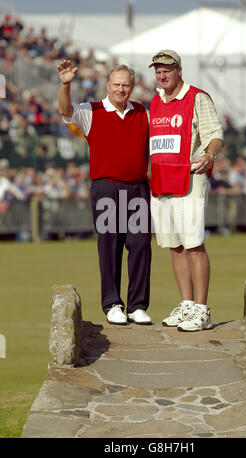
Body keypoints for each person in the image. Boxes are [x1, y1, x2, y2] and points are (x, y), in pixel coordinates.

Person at [57, 60, 152, 325]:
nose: (121, 89)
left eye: (126, 85)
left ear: (132, 87)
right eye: (116, 84)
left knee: (141, 244)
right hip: (106, 187)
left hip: (137, 187)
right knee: (109, 245)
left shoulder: (142, 113)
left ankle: (137, 305)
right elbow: (65, 111)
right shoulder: (92, 110)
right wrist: (65, 85)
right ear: (108, 85)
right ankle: (112, 304)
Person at [148, 50, 224, 332]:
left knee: (193, 244)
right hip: (162, 180)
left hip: (190, 178)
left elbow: (215, 135)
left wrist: (210, 156)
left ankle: (202, 310)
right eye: (157, 70)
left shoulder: (197, 97)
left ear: (179, 70)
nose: (162, 74)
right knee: (175, 245)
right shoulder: (155, 101)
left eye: (167, 69)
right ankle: (187, 304)